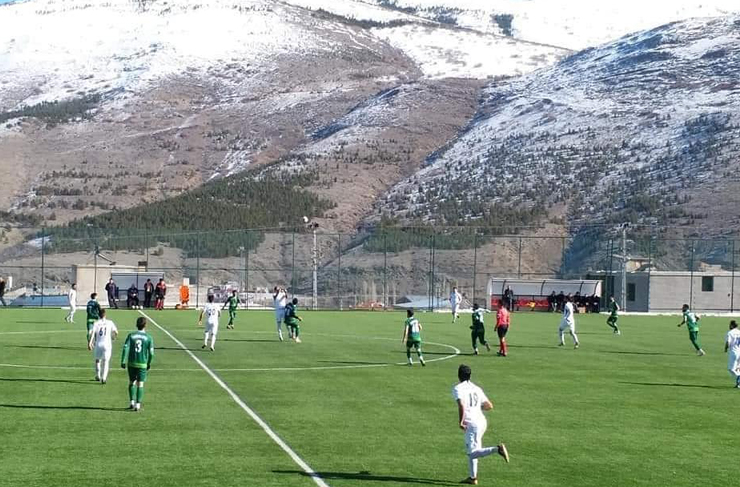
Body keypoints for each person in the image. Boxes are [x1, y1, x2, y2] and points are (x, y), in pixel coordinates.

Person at [452, 364, 509, 485]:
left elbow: (461, 405)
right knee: (475, 449)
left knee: (472, 454)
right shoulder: (477, 388)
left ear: (459, 375)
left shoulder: (458, 388)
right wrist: (477, 408)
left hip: (471, 424)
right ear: (470, 375)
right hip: (482, 422)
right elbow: (489, 406)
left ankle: (497, 449)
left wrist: (461, 421)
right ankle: (473, 478)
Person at [121, 317, 154, 412]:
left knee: (131, 382)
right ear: (145, 325)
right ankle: (138, 404)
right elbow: (151, 353)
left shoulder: (131, 335)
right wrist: (149, 363)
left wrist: (123, 361)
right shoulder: (148, 337)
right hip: (142, 364)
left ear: (136, 325)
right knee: (140, 384)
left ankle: (131, 402)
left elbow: (125, 348)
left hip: (131, 363)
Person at [88, 308, 118, 384]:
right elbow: (116, 332)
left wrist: (90, 343)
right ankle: (104, 378)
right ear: (105, 315)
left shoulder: (96, 323)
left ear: (99, 315)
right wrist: (113, 337)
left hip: (98, 344)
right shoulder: (110, 322)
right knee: (106, 361)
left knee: (98, 360)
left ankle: (98, 376)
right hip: (107, 344)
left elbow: (93, 333)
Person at [724, 320, 740, 388]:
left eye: (730, 324)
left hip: (734, 352)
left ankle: (738, 377)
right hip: (739, 351)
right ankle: (738, 384)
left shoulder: (730, 333)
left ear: (732, 325)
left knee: (731, 369)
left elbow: (728, 342)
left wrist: (725, 348)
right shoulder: (739, 332)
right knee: (737, 369)